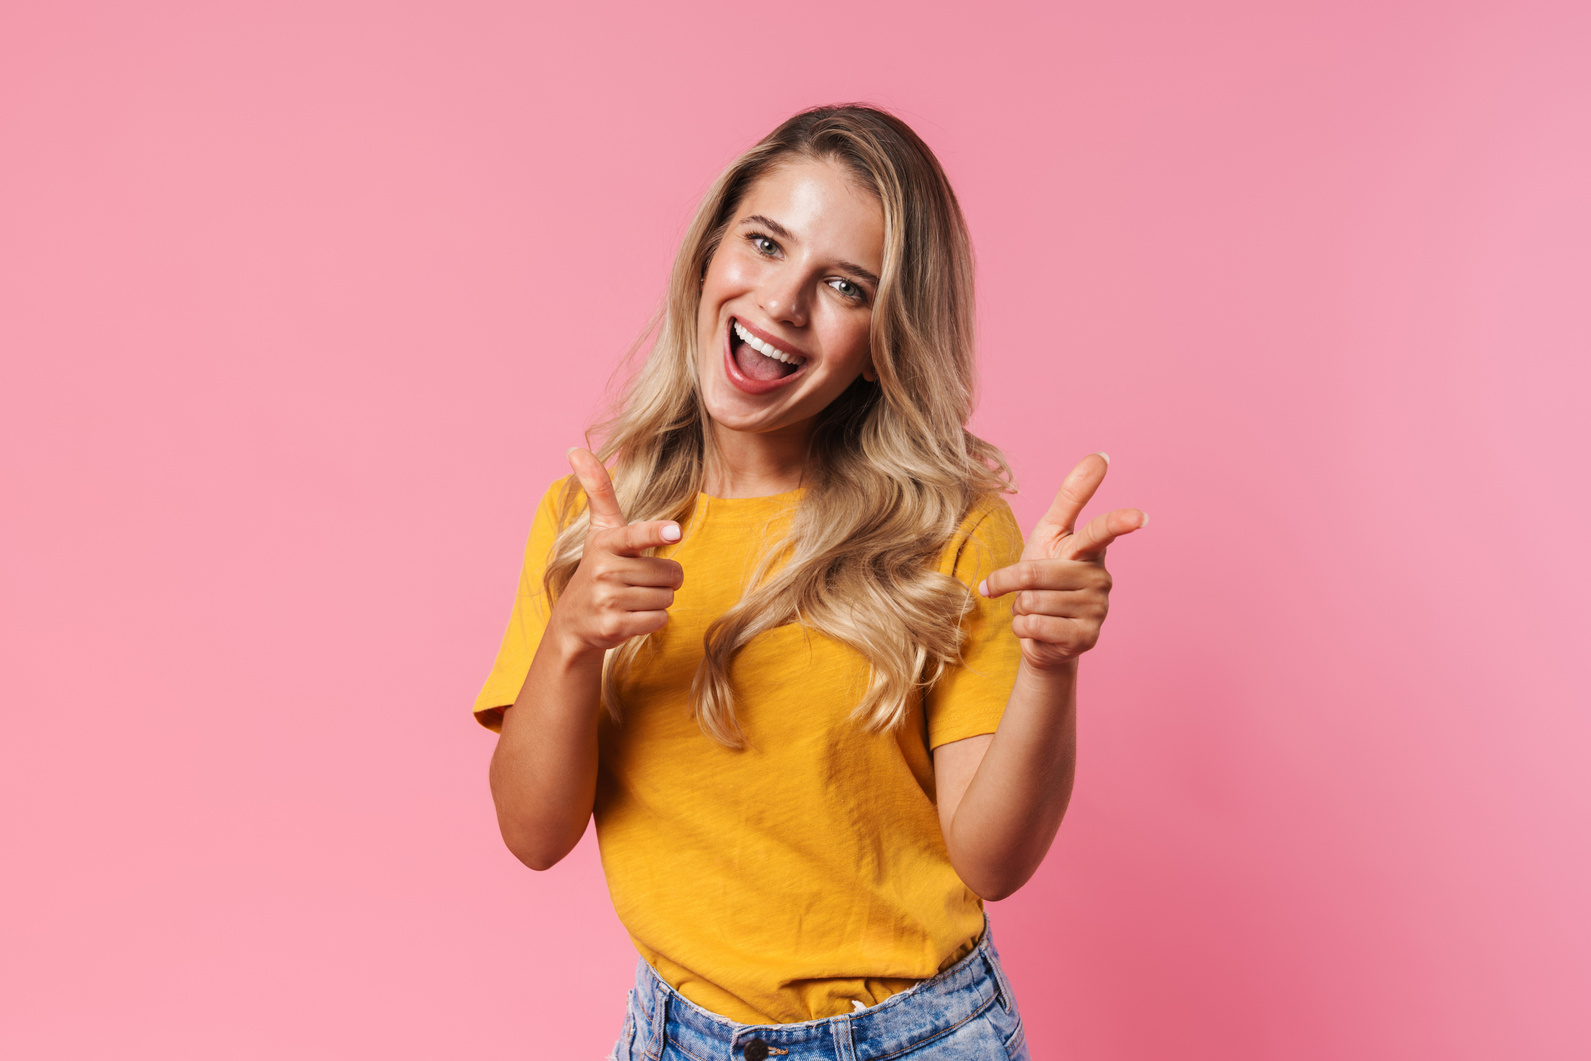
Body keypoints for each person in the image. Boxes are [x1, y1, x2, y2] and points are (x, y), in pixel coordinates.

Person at [473, 104, 1146, 1060]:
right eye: (764, 242)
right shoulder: (593, 519)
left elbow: (991, 861)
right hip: (675, 1036)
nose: (783, 304)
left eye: (843, 284)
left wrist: (1048, 664)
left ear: (885, 341)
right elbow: (533, 834)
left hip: (914, 1038)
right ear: (710, 254)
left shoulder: (948, 531)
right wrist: (573, 639)